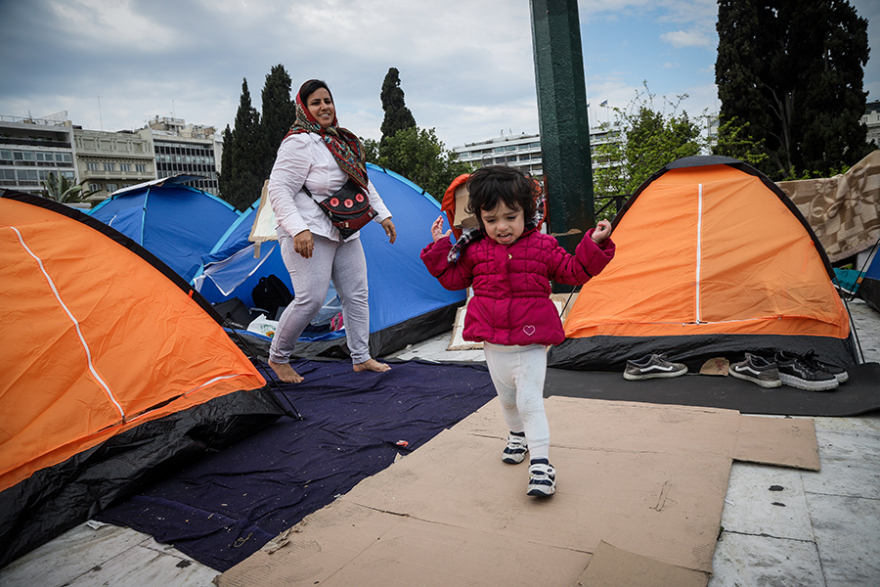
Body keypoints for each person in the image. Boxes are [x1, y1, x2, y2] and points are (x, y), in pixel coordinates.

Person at [420, 165, 615, 497]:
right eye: (492, 219)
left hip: (530, 342)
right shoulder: (473, 249)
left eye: (510, 217)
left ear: (527, 212)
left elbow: (574, 271)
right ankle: (516, 436)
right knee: (507, 401)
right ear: (480, 218)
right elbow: (453, 280)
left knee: (528, 401)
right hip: (494, 344)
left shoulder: (542, 245)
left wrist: (594, 243)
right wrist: (441, 247)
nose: (502, 226)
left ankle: (541, 464)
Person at [267, 79, 397, 384]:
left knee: (356, 294)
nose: (324, 106)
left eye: (328, 100)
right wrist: (298, 230)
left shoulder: (341, 140)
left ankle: (361, 358)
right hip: (309, 232)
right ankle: (278, 357)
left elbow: (362, 182)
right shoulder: (298, 142)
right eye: (316, 102)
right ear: (304, 108)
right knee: (310, 300)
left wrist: (383, 215)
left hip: (345, 229)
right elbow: (279, 189)